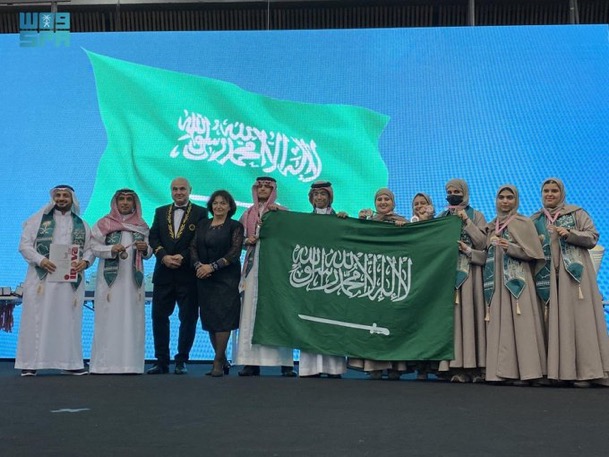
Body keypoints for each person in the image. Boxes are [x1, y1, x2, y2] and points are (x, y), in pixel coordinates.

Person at [531, 177, 609, 387]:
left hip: (574, 278)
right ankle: (554, 373)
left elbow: (592, 237)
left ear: (561, 193)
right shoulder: (536, 219)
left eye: (554, 191)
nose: (549, 194)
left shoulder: (576, 213)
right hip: (546, 278)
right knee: (549, 323)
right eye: (546, 191)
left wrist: (570, 234)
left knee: (579, 323)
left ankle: (586, 373)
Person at [15, 185, 93, 376]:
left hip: (69, 282)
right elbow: (24, 245)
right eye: (58, 195)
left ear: (72, 199)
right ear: (53, 199)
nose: (61, 198)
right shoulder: (37, 221)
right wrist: (40, 260)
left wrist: (85, 262)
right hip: (42, 279)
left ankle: (70, 363)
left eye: (65, 195)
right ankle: (30, 364)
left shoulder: (82, 225)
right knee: (36, 319)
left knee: (69, 320)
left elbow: (90, 249)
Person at [483, 185, 547, 385]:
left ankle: (529, 372)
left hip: (520, 282)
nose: (505, 201)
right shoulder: (491, 226)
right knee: (502, 325)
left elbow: (534, 254)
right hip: (497, 283)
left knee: (523, 324)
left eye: (509, 197)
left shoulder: (523, 222)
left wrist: (510, 247)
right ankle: (503, 372)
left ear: (516, 200)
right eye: (501, 197)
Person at [235, 176, 296, 377]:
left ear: (273, 190)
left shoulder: (282, 212)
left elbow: (291, 239)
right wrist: (248, 240)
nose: (262, 189)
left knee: (278, 312)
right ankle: (250, 362)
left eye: (266, 187)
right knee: (250, 313)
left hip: (276, 271)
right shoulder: (247, 214)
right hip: (252, 269)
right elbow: (237, 240)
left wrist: (280, 219)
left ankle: (285, 363)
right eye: (259, 187)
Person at [147, 177, 207, 375]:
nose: (179, 192)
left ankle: (182, 360)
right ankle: (161, 361)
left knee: (188, 318)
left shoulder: (200, 213)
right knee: (159, 317)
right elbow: (153, 237)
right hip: (163, 273)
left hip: (188, 274)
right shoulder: (160, 211)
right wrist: (163, 256)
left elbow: (199, 240)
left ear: (190, 190)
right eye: (175, 189)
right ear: (171, 191)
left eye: (182, 189)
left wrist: (183, 256)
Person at [89, 189, 152, 374]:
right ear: (115, 203)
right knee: (107, 318)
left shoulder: (141, 225)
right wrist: (110, 250)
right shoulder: (103, 223)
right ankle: (103, 365)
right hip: (109, 283)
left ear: (134, 203)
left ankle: (131, 364)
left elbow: (149, 251)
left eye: (129, 199)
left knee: (132, 320)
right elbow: (93, 247)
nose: (125, 202)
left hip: (133, 282)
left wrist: (145, 248)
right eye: (121, 199)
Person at [349, 188, 408, 380]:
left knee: (394, 322)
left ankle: (395, 366)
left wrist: (405, 228)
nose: (383, 202)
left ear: (393, 202)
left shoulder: (402, 221)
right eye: (379, 199)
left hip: (395, 280)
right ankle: (374, 366)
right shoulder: (369, 221)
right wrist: (360, 222)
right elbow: (356, 242)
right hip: (372, 280)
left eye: (387, 199)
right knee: (373, 323)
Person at [437, 179, 487, 383]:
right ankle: (454, 367)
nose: (453, 195)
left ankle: (475, 367)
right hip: (447, 276)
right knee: (453, 320)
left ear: (465, 193)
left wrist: (467, 222)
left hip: (471, 273)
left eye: (457, 191)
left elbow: (482, 243)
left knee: (471, 317)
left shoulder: (476, 215)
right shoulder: (443, 217)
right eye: (449, 191)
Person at [190, 190, 244, 377]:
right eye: (215, 203)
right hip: (204, 278)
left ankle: (218, 362)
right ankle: (222, 358)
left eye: (223, 203)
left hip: (226, 278)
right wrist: (199, 266)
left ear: (230, 207)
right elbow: (193, 247)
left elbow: (234, 253)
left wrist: (212, 267)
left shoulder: (235, 226)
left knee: (223, 320)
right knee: (211, 320)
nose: (218, 206)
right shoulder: (203, 224)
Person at [298, 181, 347, 378]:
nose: (319, 198)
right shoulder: (304, 222)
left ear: (329, 197)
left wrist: (344, 221)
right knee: (310, 319)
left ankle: (333, 368)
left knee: (332, 320)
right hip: (310, 277)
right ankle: (310, 368)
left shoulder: (339, 219)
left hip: (333, 277)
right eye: (316, 194)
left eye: (323, 194)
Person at [409, 192, 437, 380]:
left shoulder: (440, 225)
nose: (419, 206)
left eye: (423, 203)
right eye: (416, 204)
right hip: (414, 280)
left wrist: (428, 220)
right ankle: (419, 366)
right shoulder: (407, 224)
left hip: (433, 280)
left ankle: (432, 365)